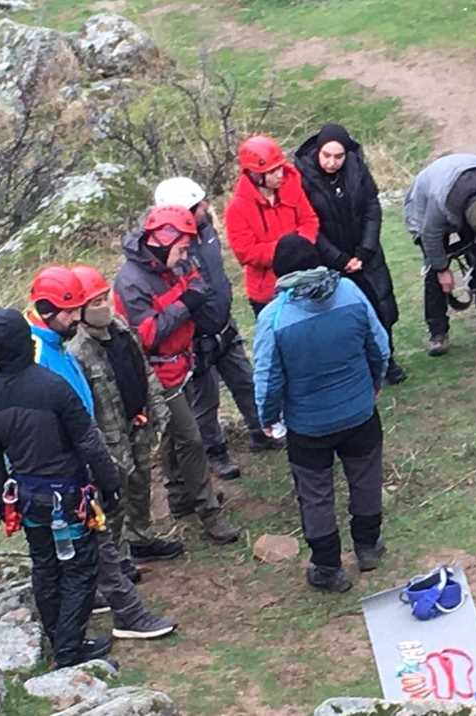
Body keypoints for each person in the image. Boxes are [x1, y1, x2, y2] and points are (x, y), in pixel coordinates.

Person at [26, 266, 178, 642]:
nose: (78, 318)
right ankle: (126, 615)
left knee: (90, 543)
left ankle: (88, 609)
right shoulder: (39, 355)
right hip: (66, 467)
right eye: (72, 310)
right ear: (48, 310)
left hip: (78, 458)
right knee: (101, 538)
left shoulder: (56, 345)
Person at [0, 306, 121, 667]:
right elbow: (89, 442)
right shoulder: (54, 387)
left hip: (26, 498)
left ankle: (62, 640)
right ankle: (69, 650)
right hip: (68, 497)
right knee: (80, 569)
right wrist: (111, 484)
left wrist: (5, 504)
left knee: (45, 566)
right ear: (27, 341)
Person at [252, 235, 390, 593]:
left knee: (315, 494)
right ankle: (368, 546)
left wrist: (267, 418)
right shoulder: (350, 292)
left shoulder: (274, 317)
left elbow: (268, 378)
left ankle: (328, 567)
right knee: (366, 478)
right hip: (359, 411)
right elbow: (378, 345)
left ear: (280, 273)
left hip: (308, 426)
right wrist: (375, 381)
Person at [114, 205, 241, 544]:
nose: (187, 255)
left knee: (174, 434)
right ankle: (209, 512)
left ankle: (179, 496)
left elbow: (196, 280)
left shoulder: (175, 260)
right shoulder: (131, 281)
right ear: (162, 241)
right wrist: (186, 303)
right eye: (183, 248)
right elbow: (147, 334)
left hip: (183, 360)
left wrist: (189, 296)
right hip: (157, 372)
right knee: (191, 437)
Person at [154, 179, 280, 483]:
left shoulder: (207, 229)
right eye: (199, 206)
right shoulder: (168, 252)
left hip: (224, 324)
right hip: (195, 337)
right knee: (205, 400)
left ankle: (260, 431)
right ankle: (216, 453)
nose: (207, 208)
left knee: (246, 381)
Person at [294, 123, 406, 384]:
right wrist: (338, 259)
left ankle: (387, 360)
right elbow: (309, 224)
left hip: (366, 254)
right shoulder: (302, 177)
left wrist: (365, 251)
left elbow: (371, 207)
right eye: (327, 156)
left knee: (381, 306)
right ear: (318, 152)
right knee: (343, 316)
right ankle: (358, 368)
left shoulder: (357, 168)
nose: (332, 162)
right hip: (331, 260)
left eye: (338, 156)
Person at [403, 153, 476, 355]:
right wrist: (442, 269)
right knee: (434, 274)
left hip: (471, 188)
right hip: (427, 203)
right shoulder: (439, 203)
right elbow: (431, 235)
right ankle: (438, 334)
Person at [225, 134, 319, 316]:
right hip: (268, 292)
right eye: (272, 171)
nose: (280, 175)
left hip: (303, 278)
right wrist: (288, 251)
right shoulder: (238, 208)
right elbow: (246, 252)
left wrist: (300, 247)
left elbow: (309, 220)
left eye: (280, 168)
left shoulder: (292, 187)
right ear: (254, 174)